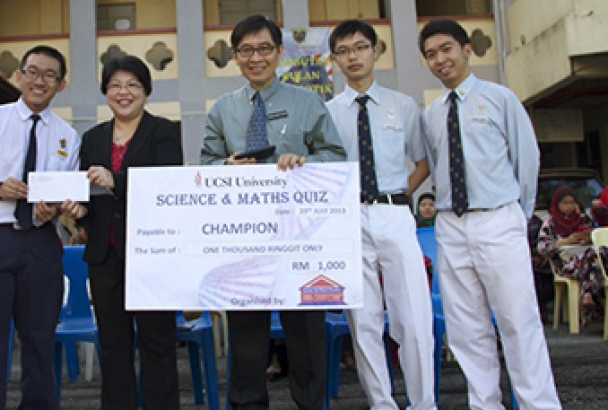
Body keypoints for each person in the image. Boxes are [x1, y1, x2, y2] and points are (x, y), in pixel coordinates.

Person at [200, 15, 344, 410]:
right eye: (246, 50)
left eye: (264, 48)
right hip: (245, 238)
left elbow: (335, 158)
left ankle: (312, 404)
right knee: (246, 337)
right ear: (235, 57)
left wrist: (307, 162)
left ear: (280, 53)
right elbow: (205, 164)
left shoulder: (308, 102)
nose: (256, 57)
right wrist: (225, 168)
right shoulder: (222, 110)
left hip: (300, 237)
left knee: (306, 335)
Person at [419, 19, 561, 408]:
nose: (439, 59)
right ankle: (485, 404)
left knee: (518, 321)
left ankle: (539, 405)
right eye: (430, 54)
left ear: (467, 50)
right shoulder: (431, 114)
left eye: (446, 49)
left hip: (498, 218)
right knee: (467, 330)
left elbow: (527, 161)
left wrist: (517, 215)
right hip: (451, 223)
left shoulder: (500, 99)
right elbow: (436, 167)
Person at [0, 44, 85, 409]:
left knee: (40, 338)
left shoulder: (67, 136)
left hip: (41, 243)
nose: (39, 81)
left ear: (61, 85)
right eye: (32, 71)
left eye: (49, 76)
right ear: (19, 75)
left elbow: (64, 193)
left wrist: (52, 210)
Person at [326, 20, 436, 410]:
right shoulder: (328, 112)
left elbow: (423, 162)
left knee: (414, 317)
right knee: (365, 318)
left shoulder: (403, 105)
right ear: (335, 59)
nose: (353, 56)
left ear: (376, 51)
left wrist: (399, 193)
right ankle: (382, 403)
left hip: (394, 214)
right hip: (350, 217)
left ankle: (423, 402)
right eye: (343, 50)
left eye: (360, 47)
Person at [76, 55, 182, 410]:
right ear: (106, 91)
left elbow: (165, 187)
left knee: (158, 344)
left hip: (152, 256)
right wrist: (78, 211)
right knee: (114, 346)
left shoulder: (166, 131)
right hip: (104, 257)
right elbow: (87, 195)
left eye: (132, 85)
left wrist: (116, 180)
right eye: (116, 85)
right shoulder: (91, 138)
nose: (124, 92)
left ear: (146, 91)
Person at [537, 186, 604, 322]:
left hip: (585, 259)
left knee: (595, 255)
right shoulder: (550, 222)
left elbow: (594, 236)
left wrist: (585, 238)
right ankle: (589, 296)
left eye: (572, 202)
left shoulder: (582, 219)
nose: (569, 206)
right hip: (564, 264)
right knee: (591, 261)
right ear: (557, 204)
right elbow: (542, 248)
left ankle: (588, 296)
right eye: (565, 203)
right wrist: (567, 241)